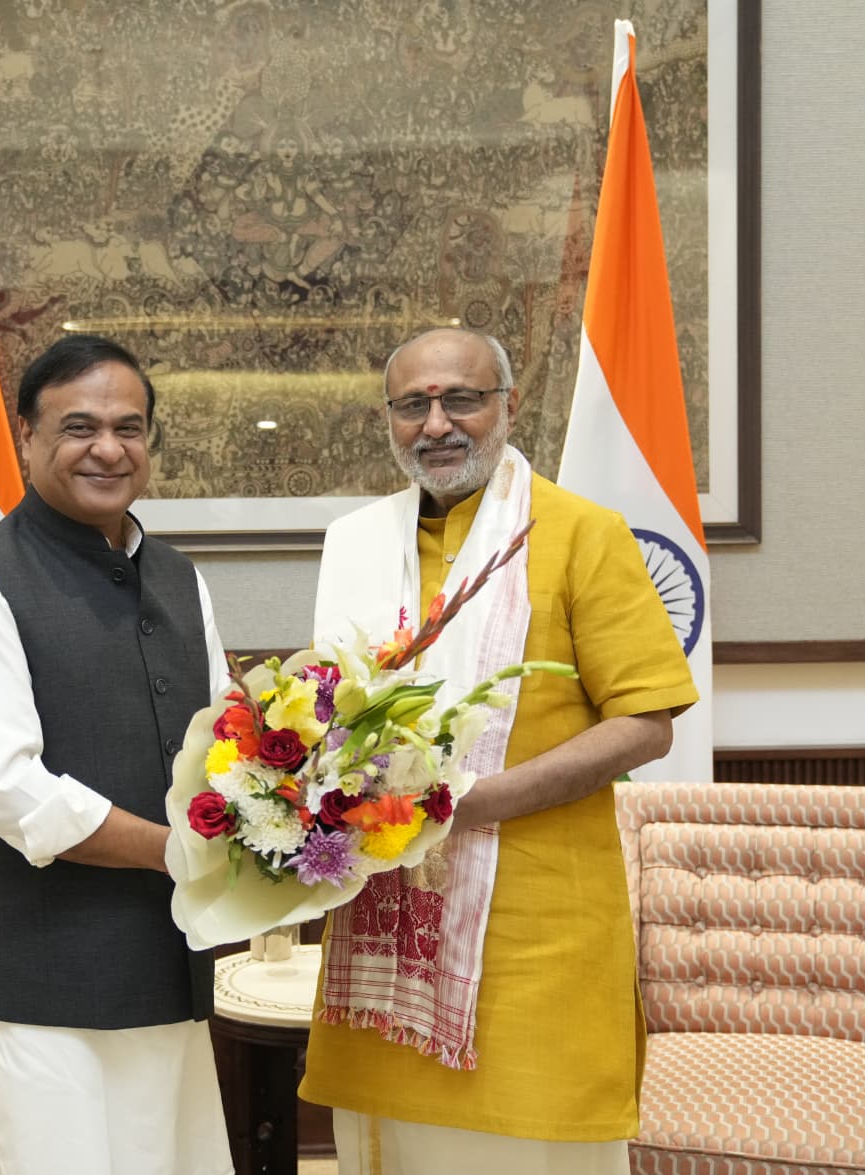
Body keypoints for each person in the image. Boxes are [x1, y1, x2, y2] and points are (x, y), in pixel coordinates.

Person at [298, 328, 698, 1174]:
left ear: (508, 407)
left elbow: (647, 720)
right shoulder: (357, 542)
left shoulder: (583, 532)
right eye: (414, 405)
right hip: (384, 930)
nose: (437, 423)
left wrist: (470, 801)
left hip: (537, 932)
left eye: (462, 399)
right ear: (390, 420)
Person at [0, 334, 233, 1175]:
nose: (108, 447)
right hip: (38, 989)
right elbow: (11, 792)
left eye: (130, 427)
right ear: (26, 434)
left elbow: (224, 747)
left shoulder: (180, 577)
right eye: (78, 425)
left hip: (168, 969)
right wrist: (178, 851)